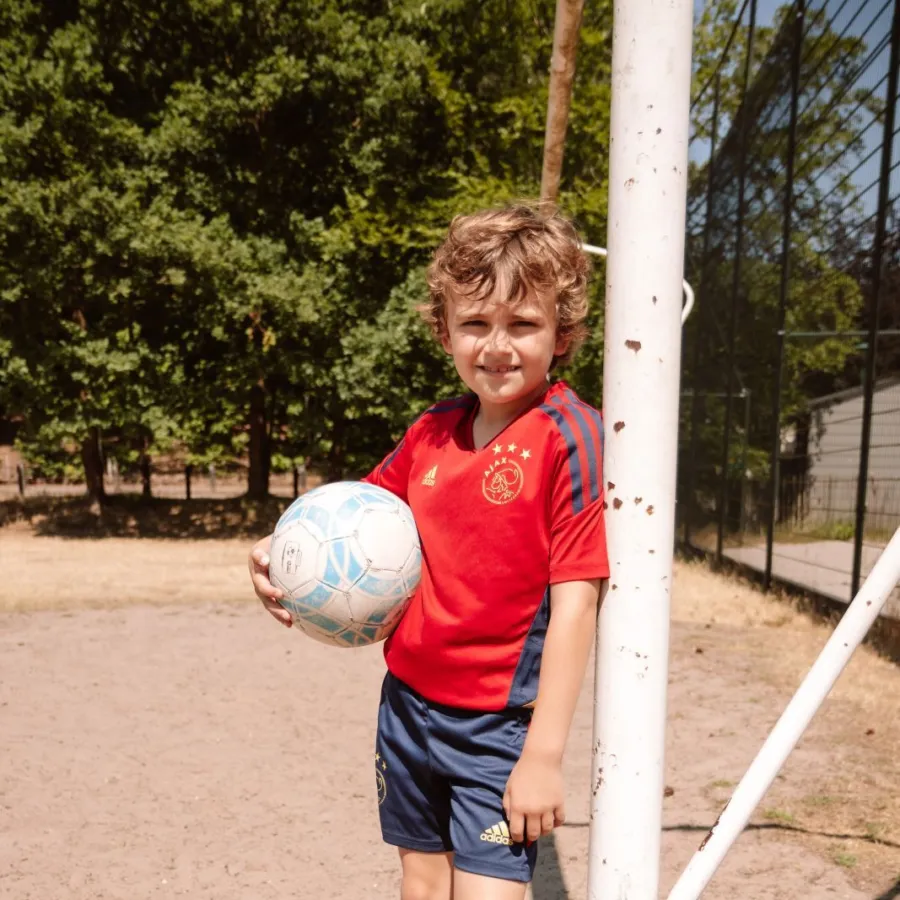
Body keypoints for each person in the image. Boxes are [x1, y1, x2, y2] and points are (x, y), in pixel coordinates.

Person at [248, 203, 609, 900]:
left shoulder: (571, 436)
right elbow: (350, 520)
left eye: (523, 325)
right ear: (445, 331)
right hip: (407, 706)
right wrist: (274, 552)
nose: (497, 346)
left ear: (562, 336)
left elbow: (576, 606)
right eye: (475, 324)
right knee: (420, 886)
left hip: (498, 729)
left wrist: (543, 755)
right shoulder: (433, 432)